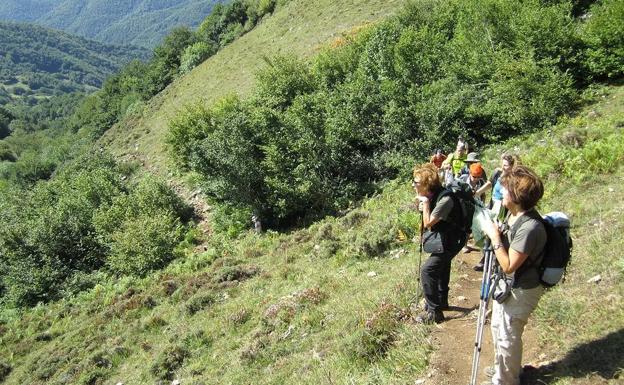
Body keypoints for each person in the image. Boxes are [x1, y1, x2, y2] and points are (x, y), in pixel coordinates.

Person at [481, 165, 546, 385]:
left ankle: (506, 381)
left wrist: (495, 237)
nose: (501, 192)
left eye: (505, 189)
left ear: (517, 196)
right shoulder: (514, 215)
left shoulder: (530, 228)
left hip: (521, 289)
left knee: (508, 336)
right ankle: (506, 369)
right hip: (508, 287)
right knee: (499, 328)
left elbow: (509, 265)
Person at [412, 163, 467, 324]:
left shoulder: (445, 199)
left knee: (427, 271)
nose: (414, 185)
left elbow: (429, 223)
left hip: (455, 238)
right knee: (442, 265)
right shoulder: (432, 195)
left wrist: (426, 204)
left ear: (427, 185)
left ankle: (434, 312)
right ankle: (442, 301)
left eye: (417, 183)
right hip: (446, 236)